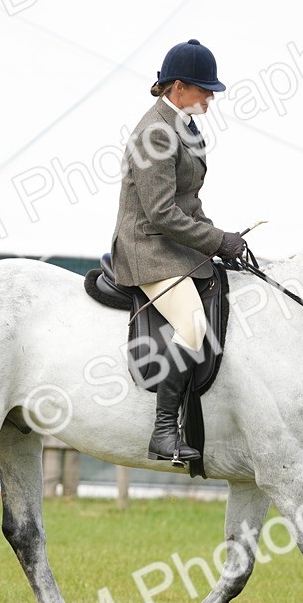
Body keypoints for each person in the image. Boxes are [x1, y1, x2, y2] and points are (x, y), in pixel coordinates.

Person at [110, 38, 248, 467]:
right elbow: (162, 212)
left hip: (173, 244)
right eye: (205, 89)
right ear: (179, 88)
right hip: (147, 247)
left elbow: (190, 203)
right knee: (192, 324)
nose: (211, 97)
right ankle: (164, 431)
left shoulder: (186, 127)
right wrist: (215, 241)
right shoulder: (155, 133)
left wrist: (220, 238)